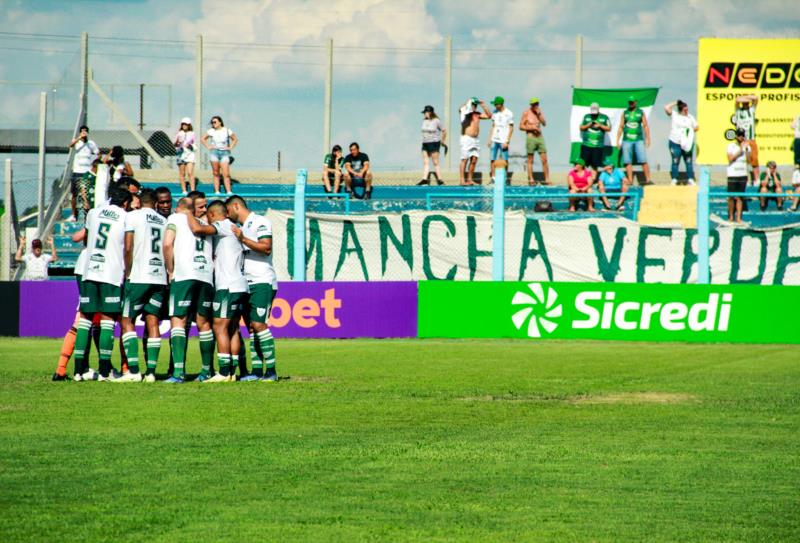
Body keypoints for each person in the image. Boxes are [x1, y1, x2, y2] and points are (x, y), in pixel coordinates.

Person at [181, 200, 248, 382]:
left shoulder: (223, 225)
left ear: (211, 215)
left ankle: (224, 372)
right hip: (240, 285)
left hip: (228, 285)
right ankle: (232, 372)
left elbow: (198, 230)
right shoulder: (233, 227)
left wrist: (187, 213)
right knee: (232, 328)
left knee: (219, 326)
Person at [72, 185, 132, 381]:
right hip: (111, 273)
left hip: (90, 271)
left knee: (85, 319)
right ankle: (105, 371)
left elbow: (86, 238)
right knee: (107, 321)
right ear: (125, 203)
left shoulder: (93, 213)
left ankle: (79, 370)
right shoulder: (125, 217)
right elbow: (128, 246)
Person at [116, 188, 168, 382]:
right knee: (153, 320)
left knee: (127, 320)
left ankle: (134, 371)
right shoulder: (164, 221)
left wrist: (127, 271)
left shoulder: (133, 216)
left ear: (141, 201)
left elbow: (128, 247)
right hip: (159, 277)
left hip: (139, 275)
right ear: (155, 203)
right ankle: (152, 373)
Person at [226, 195, 279, 381]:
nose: (227, 214)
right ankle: (256, 371)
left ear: (236, 206)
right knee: (251, 327)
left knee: (259, 324)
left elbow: (266, 248)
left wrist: (243, 239)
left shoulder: (260, 221)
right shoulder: (243, 228)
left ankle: (271, 371)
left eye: (228, 210)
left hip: (262, 281)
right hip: (246, 283)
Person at [163, 197, 215, 383]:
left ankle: (178, 373)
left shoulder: (175, 218)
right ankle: (207, 371)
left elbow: (167, 243)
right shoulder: (206, 225)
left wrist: (170, 270)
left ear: (179, 208)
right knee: (204, 323)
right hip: (206, 275)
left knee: (178, 320)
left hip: (184, 274)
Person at [616, 96, 653, 186]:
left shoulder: (640, 112)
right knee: (627, 161)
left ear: (636, 102)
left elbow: (645, 126)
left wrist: (648, 138)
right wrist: (617, 140)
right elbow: (621, 126)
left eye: (632, 102)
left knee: (643, 159)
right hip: (627, 140)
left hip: (638, 140)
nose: (631, 104)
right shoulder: (625, 113)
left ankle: (648, 179)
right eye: (630, 102)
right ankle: (630, 180)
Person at [68, 125, 99, 221]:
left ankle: (89, 214)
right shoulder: (77, 142)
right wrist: (79, 137)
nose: (84, 133)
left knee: (87, 193)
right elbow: (70, 145)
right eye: (82, 131)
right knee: (74, 194)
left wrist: (94, 165)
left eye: (86, 131)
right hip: (77, 171)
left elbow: (98, 153)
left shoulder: (91, 143)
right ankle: (74, 215)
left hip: (87, 172)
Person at [664, 99, 699, 186]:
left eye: (687, 109)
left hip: (687, 143)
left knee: (688, 161)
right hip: (675, 142)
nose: (686, 111)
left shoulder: (690, 117)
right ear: (680, 110)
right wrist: (676, 102)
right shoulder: (675, 115)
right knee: (675, 161)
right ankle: (674, 179)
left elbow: (696, 127)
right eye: (685, 110)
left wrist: (689, 131)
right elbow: (666, 108)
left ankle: (690, 179)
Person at [200, 115, 237, 195]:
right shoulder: (211, 131)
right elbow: (203, 139)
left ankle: (228, 191)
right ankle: (217, 191)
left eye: (215, 122)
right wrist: (208, 146)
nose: (213, 124)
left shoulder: (226, 130)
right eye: (212, 122)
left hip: (224, 153)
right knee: (216, 173)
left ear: (220, 122)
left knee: (226, 173)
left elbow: (235, 139)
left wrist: (230, 147)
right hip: (214, 152)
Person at [459, 97, 492, 186]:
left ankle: (470, 179)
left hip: (475, 140)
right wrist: (468, 102)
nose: (474, 106)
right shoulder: (464, 113)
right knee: (464, 159)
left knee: (474, 159)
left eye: (475, 105)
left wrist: (483, 105)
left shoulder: (477, 114)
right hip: (466, 139)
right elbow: (461, 109)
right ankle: (462, 180)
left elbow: (489, 116)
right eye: (473, 105)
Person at [519, 97, 549, 186]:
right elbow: (520, 126)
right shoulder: (526, 113)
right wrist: (531, 127)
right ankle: (531, 179)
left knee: (544, 159)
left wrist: (539, 114)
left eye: (537, 104)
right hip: (531, 138)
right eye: (534, 104)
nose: (536, 106)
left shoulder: (539, 112)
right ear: (531, 105)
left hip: (540, 138)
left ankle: (547, 179)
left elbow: (544, 123)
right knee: (530, 160)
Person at [579, 102, 611, 178]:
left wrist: (600, 125)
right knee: (583, 164)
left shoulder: (604, 117)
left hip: (598, 146)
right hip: (586, 145)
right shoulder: (586, 116)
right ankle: (584, 179)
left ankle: (593, 180)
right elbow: (581, 127)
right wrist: (589, 125)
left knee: (595, 165)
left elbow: (609, 128)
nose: (594, 114)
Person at [488, 96, 514, 182]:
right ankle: (493, 177)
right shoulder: (494, 112)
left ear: (500, 104)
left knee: (505, 159)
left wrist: (507, 141)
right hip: (495, 139)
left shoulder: (509, 113)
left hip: (503, 140)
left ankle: (505, 178)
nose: (495, 105)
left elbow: (511, 128)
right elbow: (493, 126)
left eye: (496, 104)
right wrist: (490, 138)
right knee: (492, 159)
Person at [735, 95, 759, 185]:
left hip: (751, 139)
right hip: (741, 141)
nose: (746, 103)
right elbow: (737, 100)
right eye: (744, 102)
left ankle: (756, 180)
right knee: (743, 161)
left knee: (754, 160)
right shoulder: (738, 111)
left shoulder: (751, 110)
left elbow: (756, 98)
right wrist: (744, 98)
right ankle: (747, 180)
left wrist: (747, 96)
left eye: (747, 102)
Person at [727, 128, 750, 223]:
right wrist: (740, 150)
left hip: (742, 174)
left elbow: (749, 161)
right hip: (732, 174)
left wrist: (747, 150)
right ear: (736, 136)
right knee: (731, 197)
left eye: (742, 135)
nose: (741, 137)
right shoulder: (731, 146)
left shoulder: (747, 147)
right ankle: (731, 217)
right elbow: (730, 158)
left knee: (740, 197)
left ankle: (739, 218)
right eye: (739, 135)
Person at [419, 105, 446, 185]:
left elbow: (444, 130)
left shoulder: (436, 121)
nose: (424, 114)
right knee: (426, 161)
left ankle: (440, 179)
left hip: (434, 142)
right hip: (425, 143)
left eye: (426, 112)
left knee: (435, 162)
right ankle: (424, 179)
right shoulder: (424, 121)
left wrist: (443, 141)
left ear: (430, 112)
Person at [174, 117, 197, 194]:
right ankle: (184, 190)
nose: (184, 126)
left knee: (190, 172)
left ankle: (193, 190)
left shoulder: (192, 133)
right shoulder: (179, 133)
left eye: (186, 124)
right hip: (181, 154)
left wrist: (190, 146)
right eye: (183, 124)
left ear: (189, 125)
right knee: (182, 173)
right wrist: (178, 143)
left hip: (189, 154)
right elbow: (174, 144)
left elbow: (194, 145)